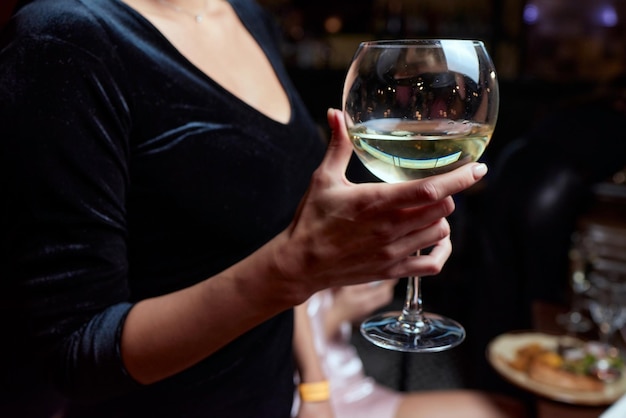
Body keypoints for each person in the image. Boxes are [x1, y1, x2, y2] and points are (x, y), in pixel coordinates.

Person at [0, 0, 489, 417]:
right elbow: (75, 352)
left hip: (275, 397)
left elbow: (270, 234)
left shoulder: (245, 14)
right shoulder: (60, 39)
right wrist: (294, 270)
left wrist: (313, 387)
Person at [295, 283, 529, 418]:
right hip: (307, 394)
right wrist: (338, 313)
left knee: (511, 411)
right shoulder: (276, 221)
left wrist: (361, 305)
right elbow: (275, 350)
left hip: (351, 383)